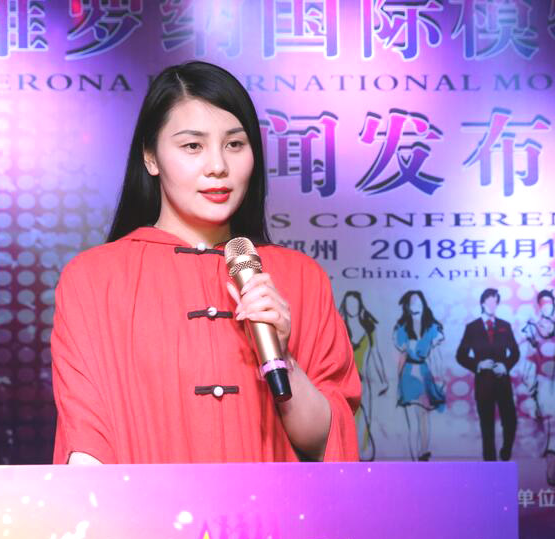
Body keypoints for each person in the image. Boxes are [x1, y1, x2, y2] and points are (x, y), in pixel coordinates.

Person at [51, 61, 360, 464]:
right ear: (151, 157)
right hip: (145, 506)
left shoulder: (301, 278)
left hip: (276, 506)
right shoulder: (93, 279)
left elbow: (324, 444)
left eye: (235, 144)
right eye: (192, 146)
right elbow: (86, 442)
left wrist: (282, 358)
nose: (218, 166)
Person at [456, 288, 520, 461]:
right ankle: (490, 464)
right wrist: (478, 364)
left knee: (510, 421)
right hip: (484, 384)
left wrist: (505, 366)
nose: (492, 305)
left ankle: (506, 452)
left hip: (503, 382)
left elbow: (515, 353)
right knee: (487, 427)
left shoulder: (505, 326)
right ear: (482, 303)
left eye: (495, 302)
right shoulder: (472, 328)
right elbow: (460, 356)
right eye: (489, 301)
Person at [522, 289, 555, 487]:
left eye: (551, 303)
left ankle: (552, 468)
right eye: (544, 303)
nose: (548, 307)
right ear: (539, 306)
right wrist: (530, 385)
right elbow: (528, 355)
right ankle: (549, 465)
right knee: (547, 423)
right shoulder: (530, 328)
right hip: (542, 380)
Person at [392, 290, 445, 461]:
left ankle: (423, 453)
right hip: (408, 375)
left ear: (423, 305)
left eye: (418, 303)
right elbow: (401, 356)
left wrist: (440, 377)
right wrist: (398, 382)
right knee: (412, 418)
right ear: (407, 307)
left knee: (423, 415)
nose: (415, 307)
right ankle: (414, 457)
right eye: (411, 303)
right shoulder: (401, 329)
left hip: (424, 373)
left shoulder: (432, 328)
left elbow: (437, 356)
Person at [338, 291, 388, 461]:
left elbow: (376, 354)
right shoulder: (338, 325)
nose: (352, 307)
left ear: (360, 305)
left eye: (355, 304)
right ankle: (348, 455)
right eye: (349, 304)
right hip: (343, 381)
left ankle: (363, 455)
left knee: (366, 418)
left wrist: (383, 379)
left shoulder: (369, 327)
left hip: (364, 380)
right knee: (348, 419)